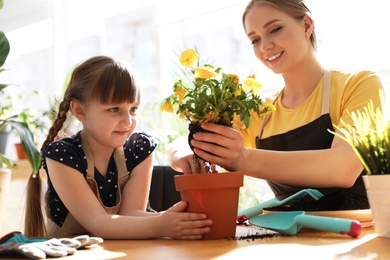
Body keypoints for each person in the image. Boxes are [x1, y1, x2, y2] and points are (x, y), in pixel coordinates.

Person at [169, 0, 385, 206]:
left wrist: (244, 159)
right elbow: (187, 139)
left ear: (307, 25)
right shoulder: (261, 112)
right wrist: (183, 154)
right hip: (293, 235)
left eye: (275, 29)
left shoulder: (359, 85)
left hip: (358, 234)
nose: (265, 46)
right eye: (255, 39)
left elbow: (344, 168)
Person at [24, 55, 212, 240]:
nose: (128, 121)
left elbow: (131, 214)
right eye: (114, 109)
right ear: (79, 110)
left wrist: (180, 220)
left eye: (133, 109)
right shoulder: (62, 155)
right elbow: (98, 222)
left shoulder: (140, 149)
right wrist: (162, 224)